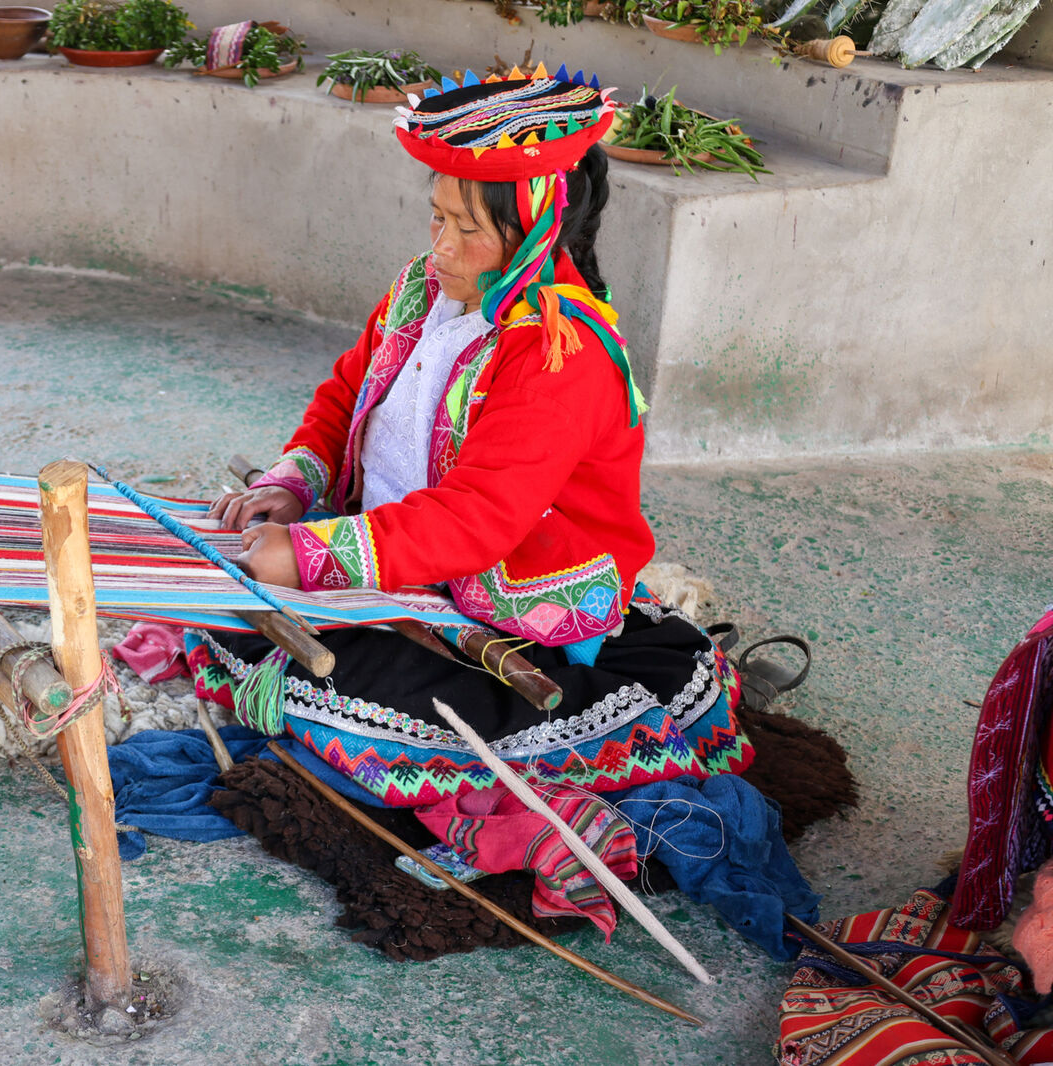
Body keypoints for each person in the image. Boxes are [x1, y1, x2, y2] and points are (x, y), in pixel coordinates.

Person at [193, 63, 753, 810]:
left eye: (468, 228)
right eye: (436, 217)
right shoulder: (422, 290)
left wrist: (308, 556)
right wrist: (291, 486)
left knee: (366, 706)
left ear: (532, 232)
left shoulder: (559, 350)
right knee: (234, 616)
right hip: (404, 557)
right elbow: (342, 400)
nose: (443, 246)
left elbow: (479, 517)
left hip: (500, 603)